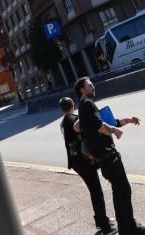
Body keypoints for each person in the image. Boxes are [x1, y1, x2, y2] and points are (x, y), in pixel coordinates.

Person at [75, 76, 145, 235]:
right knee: (123, 191)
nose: (93, 87)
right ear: (82, 89)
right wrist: (114, 131)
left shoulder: (83, 107)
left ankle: (126, 227)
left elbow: (109, 121)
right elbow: (100, 126)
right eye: (90, 85)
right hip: (108, 156)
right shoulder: (87, 104)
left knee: (119, 192)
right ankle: (129, 228)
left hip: (103, 158)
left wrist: (128, 120)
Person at [60, 97, 113, 234]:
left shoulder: (65, 121)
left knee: (94, 190)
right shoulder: (73, 119)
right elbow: (86, 129)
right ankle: (105, 226)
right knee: (96, 191)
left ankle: (101, 221)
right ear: (72, 105)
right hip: (83, 161)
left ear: (62, 109)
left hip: (77, 161)